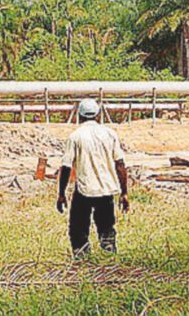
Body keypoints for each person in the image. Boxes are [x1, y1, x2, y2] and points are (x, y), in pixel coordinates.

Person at [57, 97, 130, 258]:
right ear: (97, 115)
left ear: (79, 116)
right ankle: (109, 259)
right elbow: (120, 164)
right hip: (106, 190)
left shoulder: (75, 136)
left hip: (84, 191)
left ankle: (82, 260)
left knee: (78, 229)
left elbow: (66, 166)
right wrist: (124, 192)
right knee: (106, 228)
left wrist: (61, 193)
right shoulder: (110, 134)